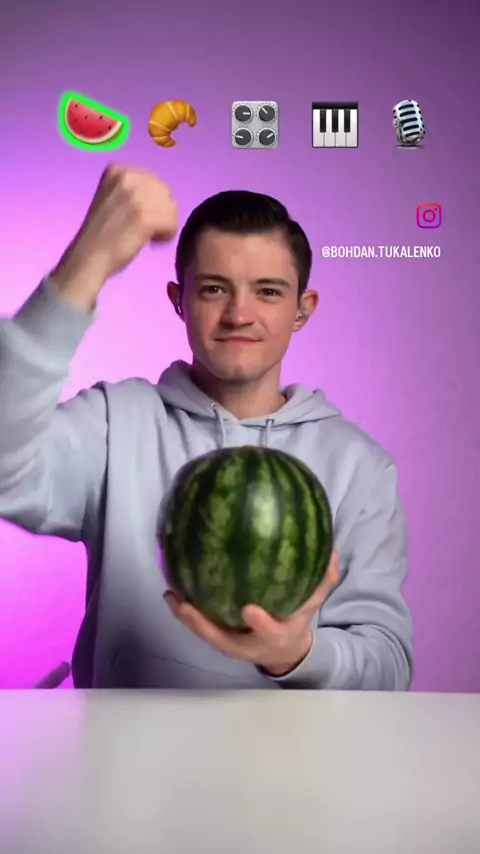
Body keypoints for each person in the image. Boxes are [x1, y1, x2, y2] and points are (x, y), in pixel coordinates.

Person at [0, 164, 414, 690]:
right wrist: (87, 262)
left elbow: (388, 667)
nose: (239, 314)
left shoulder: (359, 466)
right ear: (178, 299)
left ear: (302, 309)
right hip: (124, 744)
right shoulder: (113, 423)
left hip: (291, 747)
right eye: (215, 289)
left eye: (268, 292)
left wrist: (296, 653)